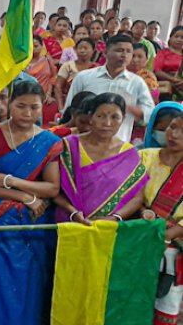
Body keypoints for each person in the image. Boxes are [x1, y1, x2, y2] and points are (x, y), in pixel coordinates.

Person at [0, 81, 62, 325]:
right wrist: (24, 197)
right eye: (21, 106)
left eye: (34, 107)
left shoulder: (48, 141)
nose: (28, 113)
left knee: (27, 285)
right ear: (10, 104)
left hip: (33, 227)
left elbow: (52, 187)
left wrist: (11, 180)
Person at [53, 92, 147, 234]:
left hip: (107, 231)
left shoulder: (128, 154)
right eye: (100, 116)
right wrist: (73, 212)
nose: (107, 123)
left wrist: (115, 218)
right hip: (68, 225)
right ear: (91, 117)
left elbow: (137, 196)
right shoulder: (68, 146)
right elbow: (54, 189)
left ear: (123, 119)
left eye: (115, 117)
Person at [139, 112, 183, 325]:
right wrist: (142, 213)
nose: (174, 134)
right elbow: (129, 195)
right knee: (132, 308)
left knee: (165, 309)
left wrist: (170, 233)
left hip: (171, 253)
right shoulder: (144, 157)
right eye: (172, 127)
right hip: (137, 242)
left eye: (182, 131)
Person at [65, 35, 154, 143]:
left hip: (118, 144)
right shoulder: (84, 77)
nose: (124, 55)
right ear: (106, 52)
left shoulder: (137, 83)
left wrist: (126, 108)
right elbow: (70, 109)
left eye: (129, 51)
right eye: (119, 50)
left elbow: (150, 115)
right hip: (83, 143)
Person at [54, 38, 97, 106]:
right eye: (80, 48)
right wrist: (61, 107)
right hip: (69, 103)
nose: (82, 50)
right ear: (75, 50)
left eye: (86, 48)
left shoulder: (97, 68)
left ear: (93, 51)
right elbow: (58, 87)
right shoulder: (68, 65)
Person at [27, 36, 59, 126]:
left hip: (44, 97)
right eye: (31, 46)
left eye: (36, 46)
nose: (33, 49)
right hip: (26, 95)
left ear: (42, 47)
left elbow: (52, 78)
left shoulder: (47, 61)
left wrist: (48, 94)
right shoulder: (22, 62)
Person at [153, 25, 183, 99]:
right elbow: (157, 71)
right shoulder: (163, 53)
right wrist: (174, 79)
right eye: (176, 36)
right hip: (164, 88)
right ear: (170, 38)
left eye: (182, 38)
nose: (179, 40)